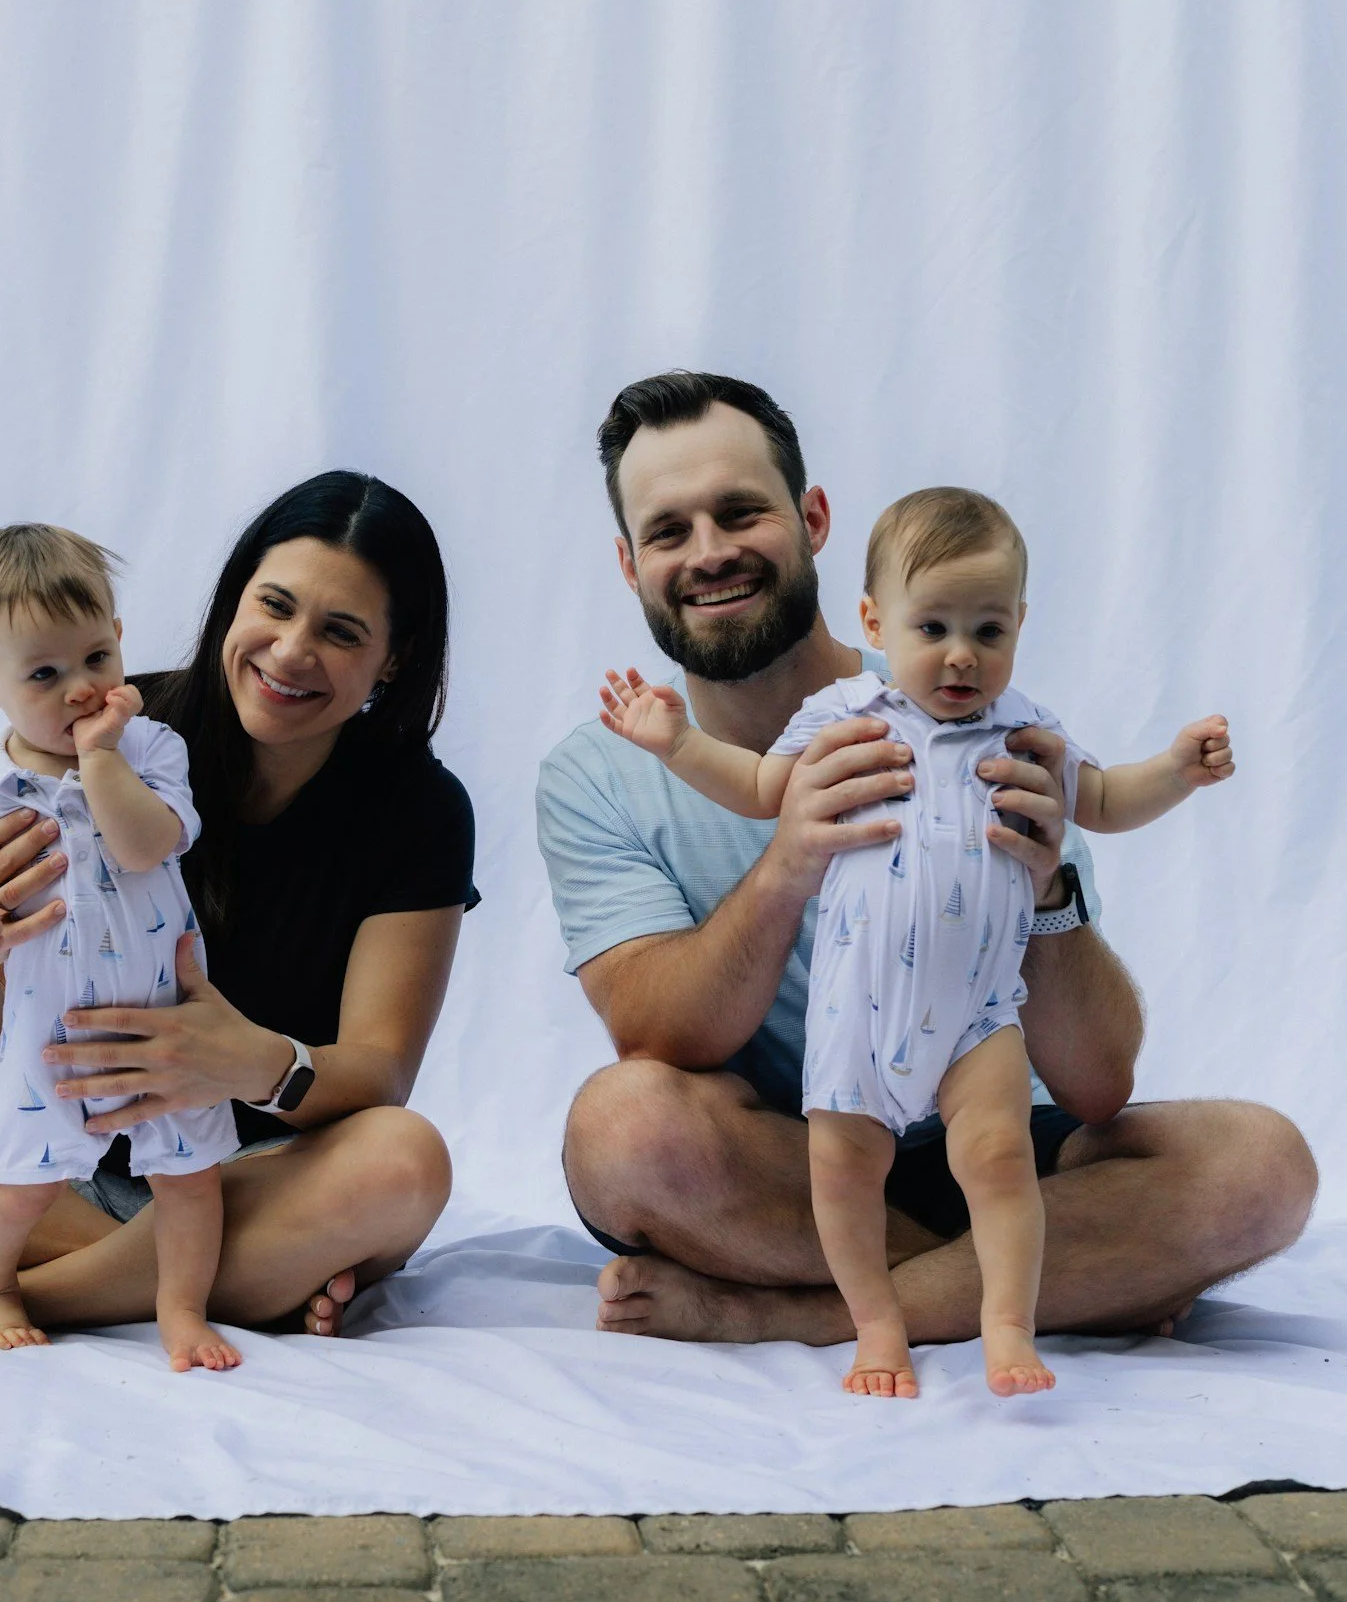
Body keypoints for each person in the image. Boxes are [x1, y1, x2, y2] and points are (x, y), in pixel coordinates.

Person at [539, 370, 1315, 1358]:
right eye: (668, 530)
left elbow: (1095, 1086)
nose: (709, 552)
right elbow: (658, 1033)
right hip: (788, 1151)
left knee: (1260, 1165)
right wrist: (787, 862)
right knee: (621, 1130)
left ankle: (820, 1315)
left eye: (740, 512)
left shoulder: (969, 707)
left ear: (812, 518)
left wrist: (1048, 892)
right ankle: (1058, 1281)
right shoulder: (599, 771)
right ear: (628, 563)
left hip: (986, 1129)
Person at [0, 471, 477, 1352]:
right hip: (74, 1153)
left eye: (340, 632)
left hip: (257, 1169)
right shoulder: (82, 733)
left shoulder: (412, 807)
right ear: (233, 599)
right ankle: (233, 1283)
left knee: (402, 1163)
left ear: (392, 658)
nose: (289, 652)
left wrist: (252, 1063)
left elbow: (377, 1079)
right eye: (274, 607)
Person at [0, 523, 239, 1369]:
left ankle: (182, 1312)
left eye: (95, 658)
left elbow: (146, 843)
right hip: (49, 1036)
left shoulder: (152, 748)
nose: (81, 688)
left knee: (191, 1184)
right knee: (18, 1186)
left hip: (164, 1032)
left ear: (120, 641)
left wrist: (101, 760)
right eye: (44, 674)